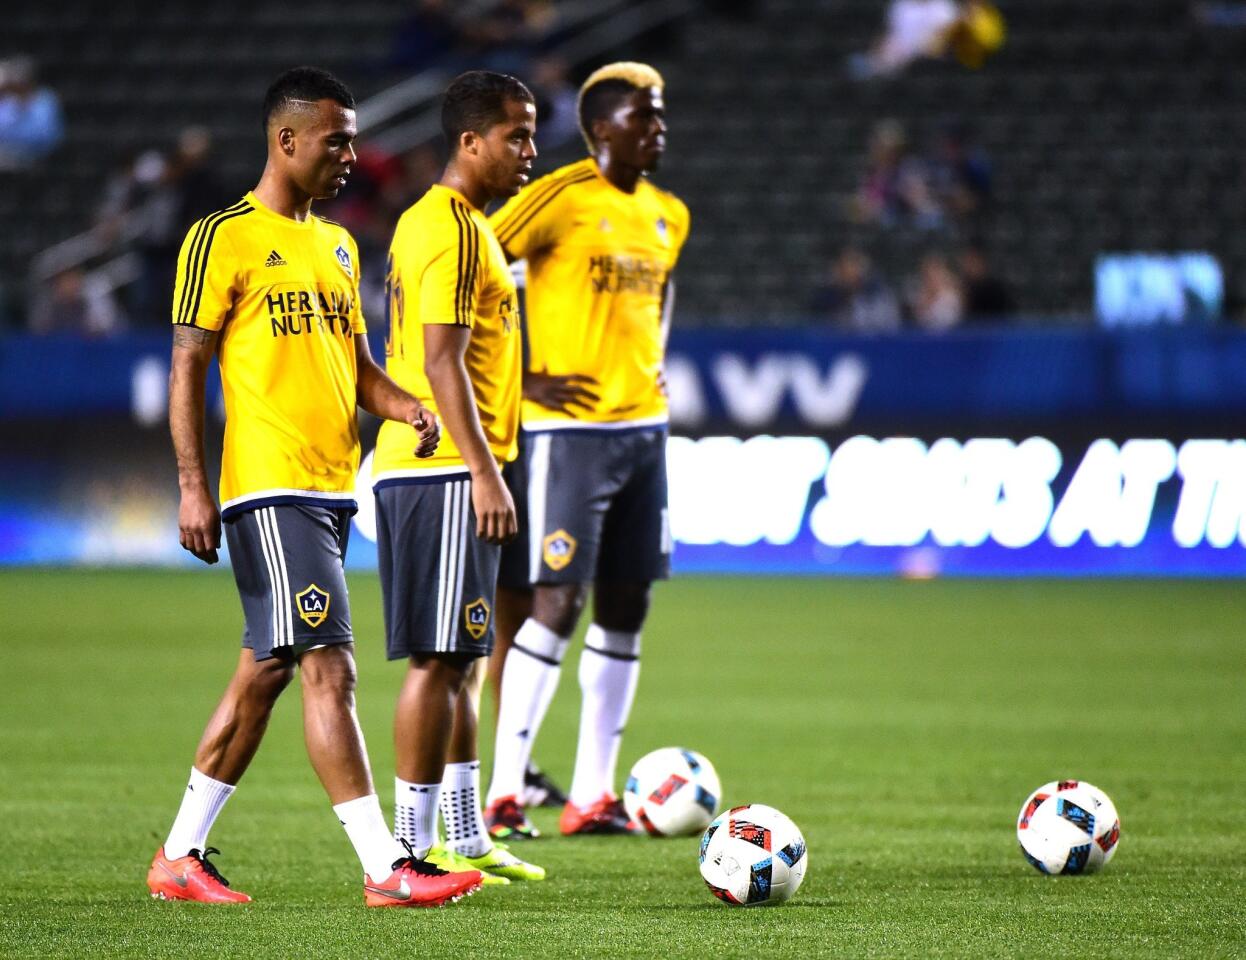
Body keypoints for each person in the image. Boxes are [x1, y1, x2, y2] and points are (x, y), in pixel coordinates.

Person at [145, 66, 484, 910]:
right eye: (337, 139)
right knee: (331, 664)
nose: (352, 154)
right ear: (286, 139)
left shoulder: (336, 244)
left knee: (267, 670)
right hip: (268, 483)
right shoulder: (220, 236)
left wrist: (403, 404)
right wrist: (193, 484)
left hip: (332, 488)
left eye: (354, 137)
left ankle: (180, 856)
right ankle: (386, 867)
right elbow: (188, 362)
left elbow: (355, 364)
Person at [482, 62, 690, 840]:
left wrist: (656, 360)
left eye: (661, 116)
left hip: (644, 432)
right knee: (556, 603)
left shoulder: (671, 213)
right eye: (645, 116)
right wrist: (525, 372)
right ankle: (506, 790)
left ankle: (593, 795)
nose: (658, 130)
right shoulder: (559, 198)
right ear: (603, 129)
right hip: (566, 435)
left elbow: (662, 295)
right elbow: (471, 266)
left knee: (627, 606)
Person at [372, 70, 545, 883]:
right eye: (517, 135)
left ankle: (465, 834)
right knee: (438, 660)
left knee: (467, 657)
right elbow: (439, 359)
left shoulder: (470, 225)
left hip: (468, 467)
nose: (530, 151)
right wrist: (483, 471)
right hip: (441, 469)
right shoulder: (442, 226)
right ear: (470, 141)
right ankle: (406, 848)